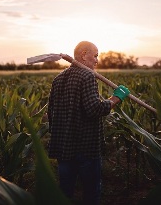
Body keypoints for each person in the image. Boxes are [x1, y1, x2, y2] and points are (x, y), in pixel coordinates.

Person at [47, 41, 130, 204]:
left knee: (65, 193)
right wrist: (116, 98)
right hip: (86, 147)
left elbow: (51, 113)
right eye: (95, 55)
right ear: (84, 55)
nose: (97, 60)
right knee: (91, 192)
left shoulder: (58, 79)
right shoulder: (87, 76)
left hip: (64, 146)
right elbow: (94, 109)